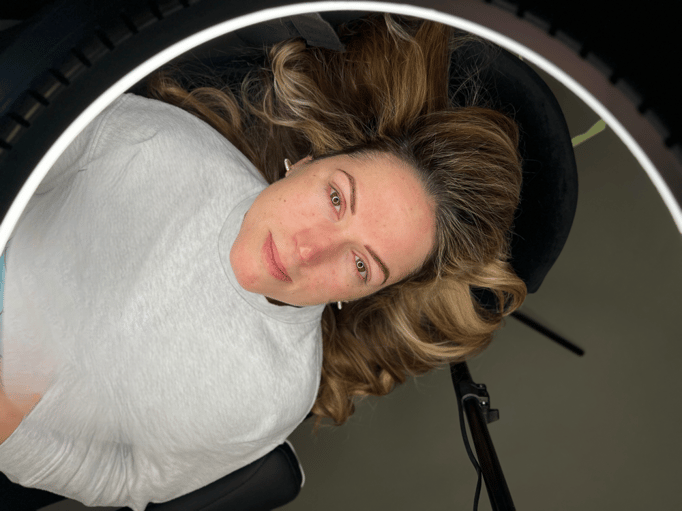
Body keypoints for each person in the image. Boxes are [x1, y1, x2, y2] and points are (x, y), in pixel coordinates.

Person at [0, 13, 525, 510]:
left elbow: (128, 480)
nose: (310, 250)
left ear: (366, 295)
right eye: (336, 199)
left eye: (362, 265)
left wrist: (9, 421)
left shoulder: (274, 396)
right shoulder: (161, 143)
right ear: (307, 163)